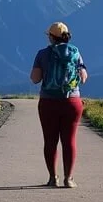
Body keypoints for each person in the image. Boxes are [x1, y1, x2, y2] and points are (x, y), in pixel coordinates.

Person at [30, 22, 88, 188]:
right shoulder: (75, 52)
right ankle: (69, 179)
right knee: (69, 141)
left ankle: (52, 178)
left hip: (48, 102)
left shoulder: (42, 54)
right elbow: (84, 77)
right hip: (72, 102)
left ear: (50, 37)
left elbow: (35, 79)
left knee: (50, 141)